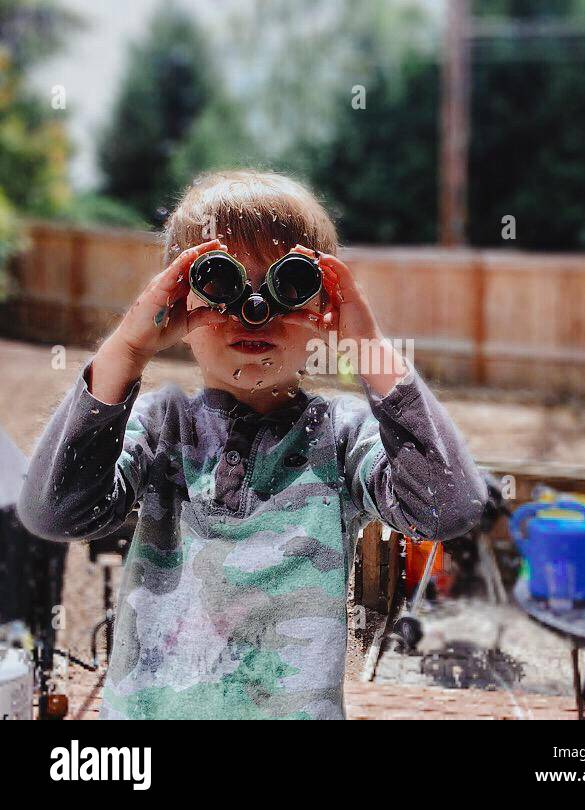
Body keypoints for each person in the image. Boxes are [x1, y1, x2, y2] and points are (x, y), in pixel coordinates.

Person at [18, 169, 487, 719]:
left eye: (288, 286)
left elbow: (448, 507)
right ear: (177, 302)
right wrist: (127, 348)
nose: (255, 309)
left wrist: (369, 348)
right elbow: (55, 512)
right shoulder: (162, 427)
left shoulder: (339, 436)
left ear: (322, 309)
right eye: (221, 282)